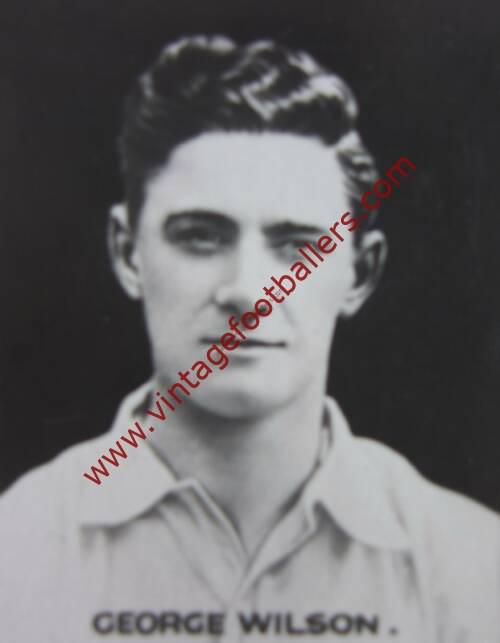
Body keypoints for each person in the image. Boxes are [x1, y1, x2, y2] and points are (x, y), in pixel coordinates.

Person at [0, 35, 498, 643]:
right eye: (200, 236)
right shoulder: (19, 550)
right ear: (128, 254)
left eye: (297, 245)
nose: (248, 289)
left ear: (360, 272)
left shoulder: (471, 569)